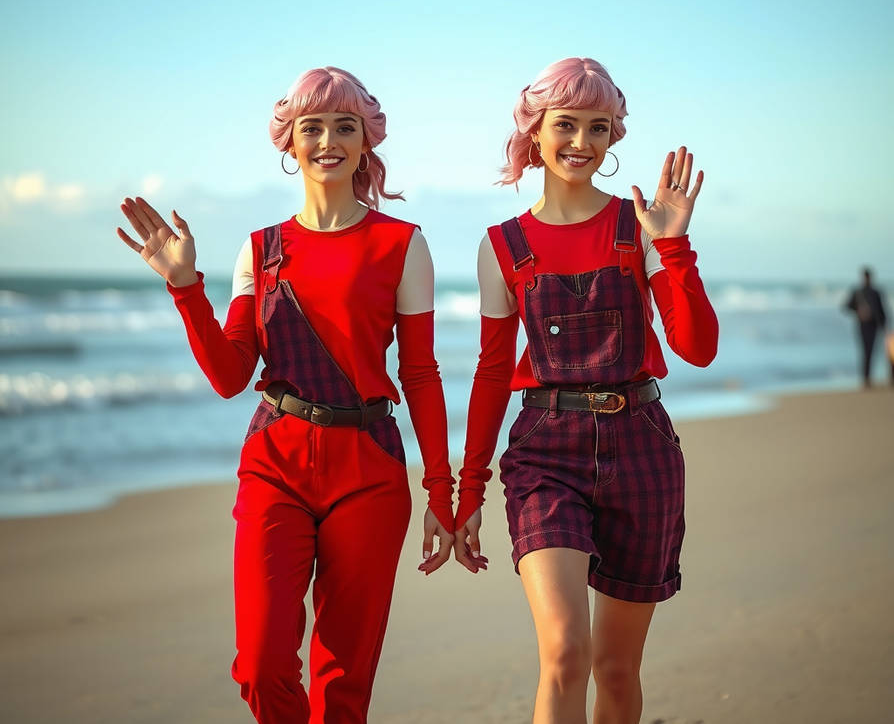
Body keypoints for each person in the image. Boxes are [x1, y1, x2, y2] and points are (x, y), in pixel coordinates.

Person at [116, 66, 455, 724]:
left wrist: (441, 493)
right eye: (312, 127)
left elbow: (421, 376)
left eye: (344, 127)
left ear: (365, 143)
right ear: (289, 143)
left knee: (343, 681)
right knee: (262, 662)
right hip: (276, 463)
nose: (328, 139)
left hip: (369, 468)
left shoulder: (403, 245)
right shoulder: (260, 250)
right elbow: (229, 375)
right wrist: (186, 287)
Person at [453, 57, 719, 724]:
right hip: (547, 454)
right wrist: (467, 489)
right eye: (565, 124)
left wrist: (676, 245)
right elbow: (491, 374)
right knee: (567, 652)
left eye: (598, 127)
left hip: (642, 449)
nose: (581, 142)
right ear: (534, 133)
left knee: (617, 671)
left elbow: (698, 349)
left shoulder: (643, 228)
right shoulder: (501, 246)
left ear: (613, 138)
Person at [844, 267, 890, 387]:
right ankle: (865, 378)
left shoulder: (876, 293)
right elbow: (847, 306)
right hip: (862, 325)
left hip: (874, 325)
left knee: (872, 351)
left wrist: (885, 326)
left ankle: (869, 378)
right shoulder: (858, 292)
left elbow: (881, 310)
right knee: (865, 351)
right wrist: (859, 311)